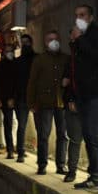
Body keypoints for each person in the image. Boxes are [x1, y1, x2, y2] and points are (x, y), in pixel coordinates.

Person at [68, 4, 98, 190]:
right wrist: (73, 96)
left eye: (83, 15)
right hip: (84, 95)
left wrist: (78, 40)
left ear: (91, 17)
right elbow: (75, 69)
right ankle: (95, 175)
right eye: (76, 15)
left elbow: (97, 56)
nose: (79, 18)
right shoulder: (81, 39)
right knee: (88, 135)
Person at [27, 30, 70, 175]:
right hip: (44, 103)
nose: (54, 41)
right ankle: (42, 164)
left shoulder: (66, 59)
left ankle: (61, 165)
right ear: (45, 43)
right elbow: (32, 82)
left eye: (56, 39)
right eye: (50, 39)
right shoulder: (39, 60)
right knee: (44, 135)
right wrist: (31, 102)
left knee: (63, 135)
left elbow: (70, 77)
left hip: (62, 102)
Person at [61, 37, 83, 183]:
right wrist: (70, 99)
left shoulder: (92, 58)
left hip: (90, 103)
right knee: (75, 139)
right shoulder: (71, 61)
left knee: (94, 139)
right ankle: (72, 170)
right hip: (74, 104)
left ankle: (96, 173)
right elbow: (65, 82)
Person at [0, 43, 18, 159]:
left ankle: (18, 147)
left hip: (18, 98)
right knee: (8, 123)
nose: (9, 53)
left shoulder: (18, 64)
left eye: (11, 50)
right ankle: (10, 149)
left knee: (18, 124)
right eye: (7, 51)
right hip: (5, 99)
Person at [13, 34, 37, 161]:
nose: (25, 44)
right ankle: (21, 152)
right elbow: (13, 81)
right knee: (21, 126)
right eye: (23, 42)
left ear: (31, 43)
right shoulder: (18, 62)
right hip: (21, 98)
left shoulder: (37, 59)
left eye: (27, 42)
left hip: (35, 98)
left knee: (40, 128)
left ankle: (39, 154)